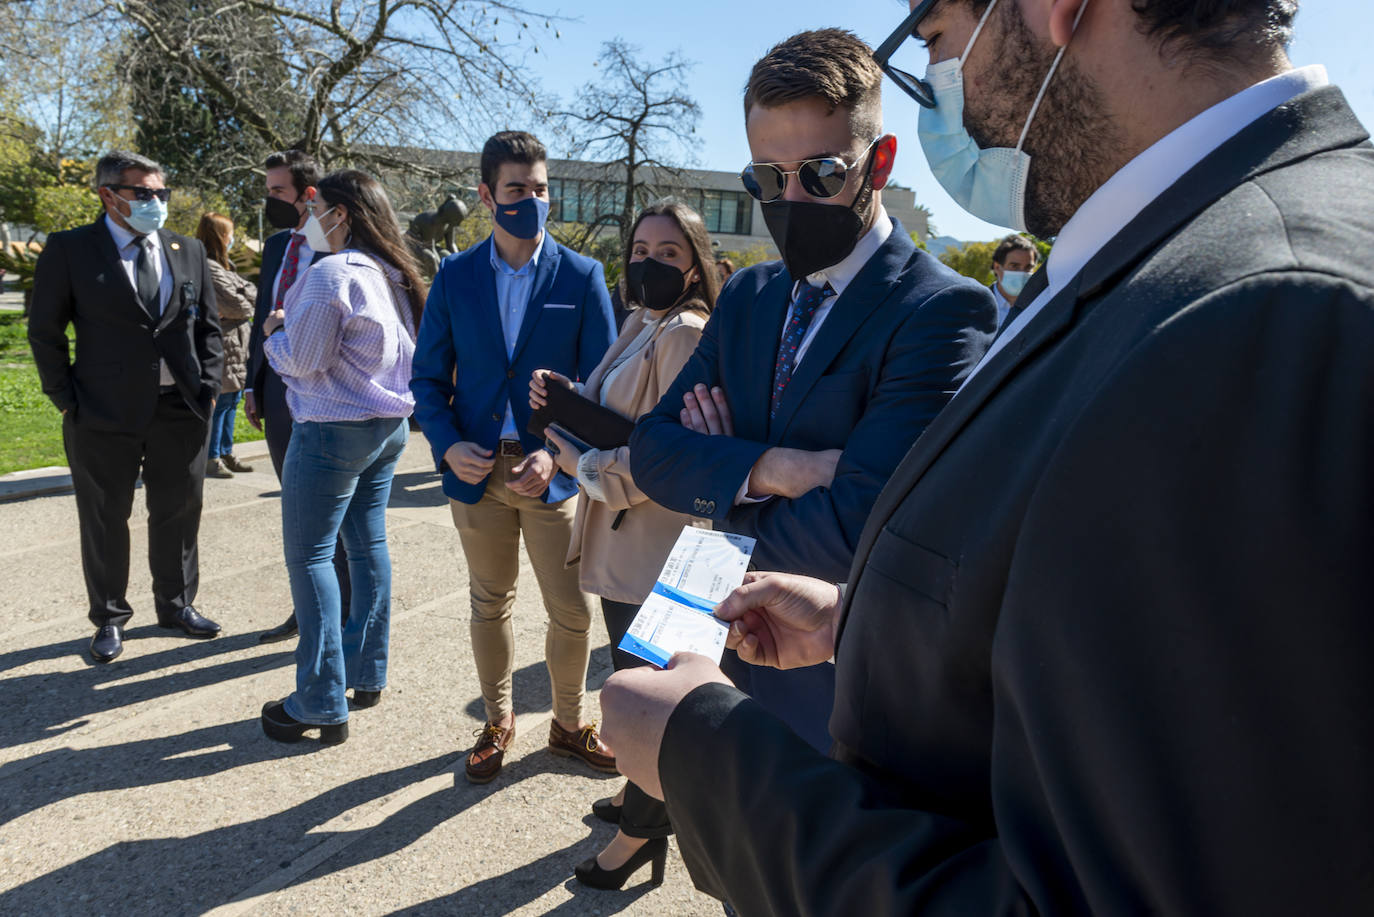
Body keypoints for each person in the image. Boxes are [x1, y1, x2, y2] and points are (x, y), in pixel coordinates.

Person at [601, 0, 1374, 913]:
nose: (938, 80)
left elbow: (1118, 880)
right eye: (768, 179)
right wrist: (843, 588)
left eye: (933, 34)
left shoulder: (1270, 309)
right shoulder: (1169, 257)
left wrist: (709, 753)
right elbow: (1070, 618)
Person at [628, 29, 996, 753]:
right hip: (727, 677)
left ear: (878, 163)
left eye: (821, 173)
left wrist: (722, 483)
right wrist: (772, 469)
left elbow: (864, 520)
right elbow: (651, 451)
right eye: (767, 178)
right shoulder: (750, 296)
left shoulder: (942, 311)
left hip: (840, 706)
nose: (790, 197)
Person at [411, 130, 618, 783]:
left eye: (539, 189)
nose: (531, 200)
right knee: (488, 602)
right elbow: (425, 379)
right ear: (485, 195)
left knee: (571, 611)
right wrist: (446, 445)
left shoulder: (581, 277)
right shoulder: (454, 275)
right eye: (516, 190)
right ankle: (496, 721)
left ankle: (566, 722)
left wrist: (559, 459)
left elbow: (603, 389)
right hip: (476, 473)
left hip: (550, 477)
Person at [529, 200, 720, 890]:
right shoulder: (644, 320)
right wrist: (565, 400)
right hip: (627, 540)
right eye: (640, 249)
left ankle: (640, 834)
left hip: (655, 545)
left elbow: (672, 457)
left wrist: (583, 464)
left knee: (648, 695)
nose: (649, 263)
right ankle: (641, 794)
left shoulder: (685, 333)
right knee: (634, 681)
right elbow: (617, 412)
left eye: (668, 253)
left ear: (695, 263)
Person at [28, 150, 223, 664]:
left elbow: (208, 327)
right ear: (108, 195)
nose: (155, 202)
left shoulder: (186, 249)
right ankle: (110, 618)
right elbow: (45, 332)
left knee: (179, 513)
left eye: (162, 193)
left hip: (180, 409)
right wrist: (65, 399)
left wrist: (207, 385)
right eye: (143, 193)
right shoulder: (70, 249)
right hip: (101, 413)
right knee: (105, 517)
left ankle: (177, 605)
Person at [257, 169, 422, 746]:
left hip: (331, 430)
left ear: (341, 214)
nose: (305, 218)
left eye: (314, 207)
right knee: (367, 547)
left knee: (311, 559)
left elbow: (301, 359)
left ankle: (320, 698)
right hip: (386, 426)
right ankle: (365, 672)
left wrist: (273, 332)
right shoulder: (392, 273)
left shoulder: (331, 274)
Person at [244, 149, 351, 644]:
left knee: (339, 511)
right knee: (298, 508)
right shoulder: (274, 247)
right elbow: (260, 315)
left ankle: (346, 611)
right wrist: (251, 383)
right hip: (275, 388)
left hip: (327, 392)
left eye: (278, 192)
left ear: (309, 195)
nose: (270, 201)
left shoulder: (341, 248)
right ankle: (307, 609)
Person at [196, 212, 256, 478]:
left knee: (233, 400)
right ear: (220, 236)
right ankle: (212, 457)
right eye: (229, 234)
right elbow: (236, 304)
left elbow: (253, 294)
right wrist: (245, 299)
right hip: (221, 343)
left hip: (237, 344)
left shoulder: (225, 266)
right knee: (220, 403)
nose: (232, 239)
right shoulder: (208, 267)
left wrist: (245, 299)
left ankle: (226, 450)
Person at [988, 232, 1038, 327]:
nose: (1022, 273)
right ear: (997, 267)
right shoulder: (976, 304)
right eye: (1014, 266)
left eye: (1028, 267)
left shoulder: (1038, 305)